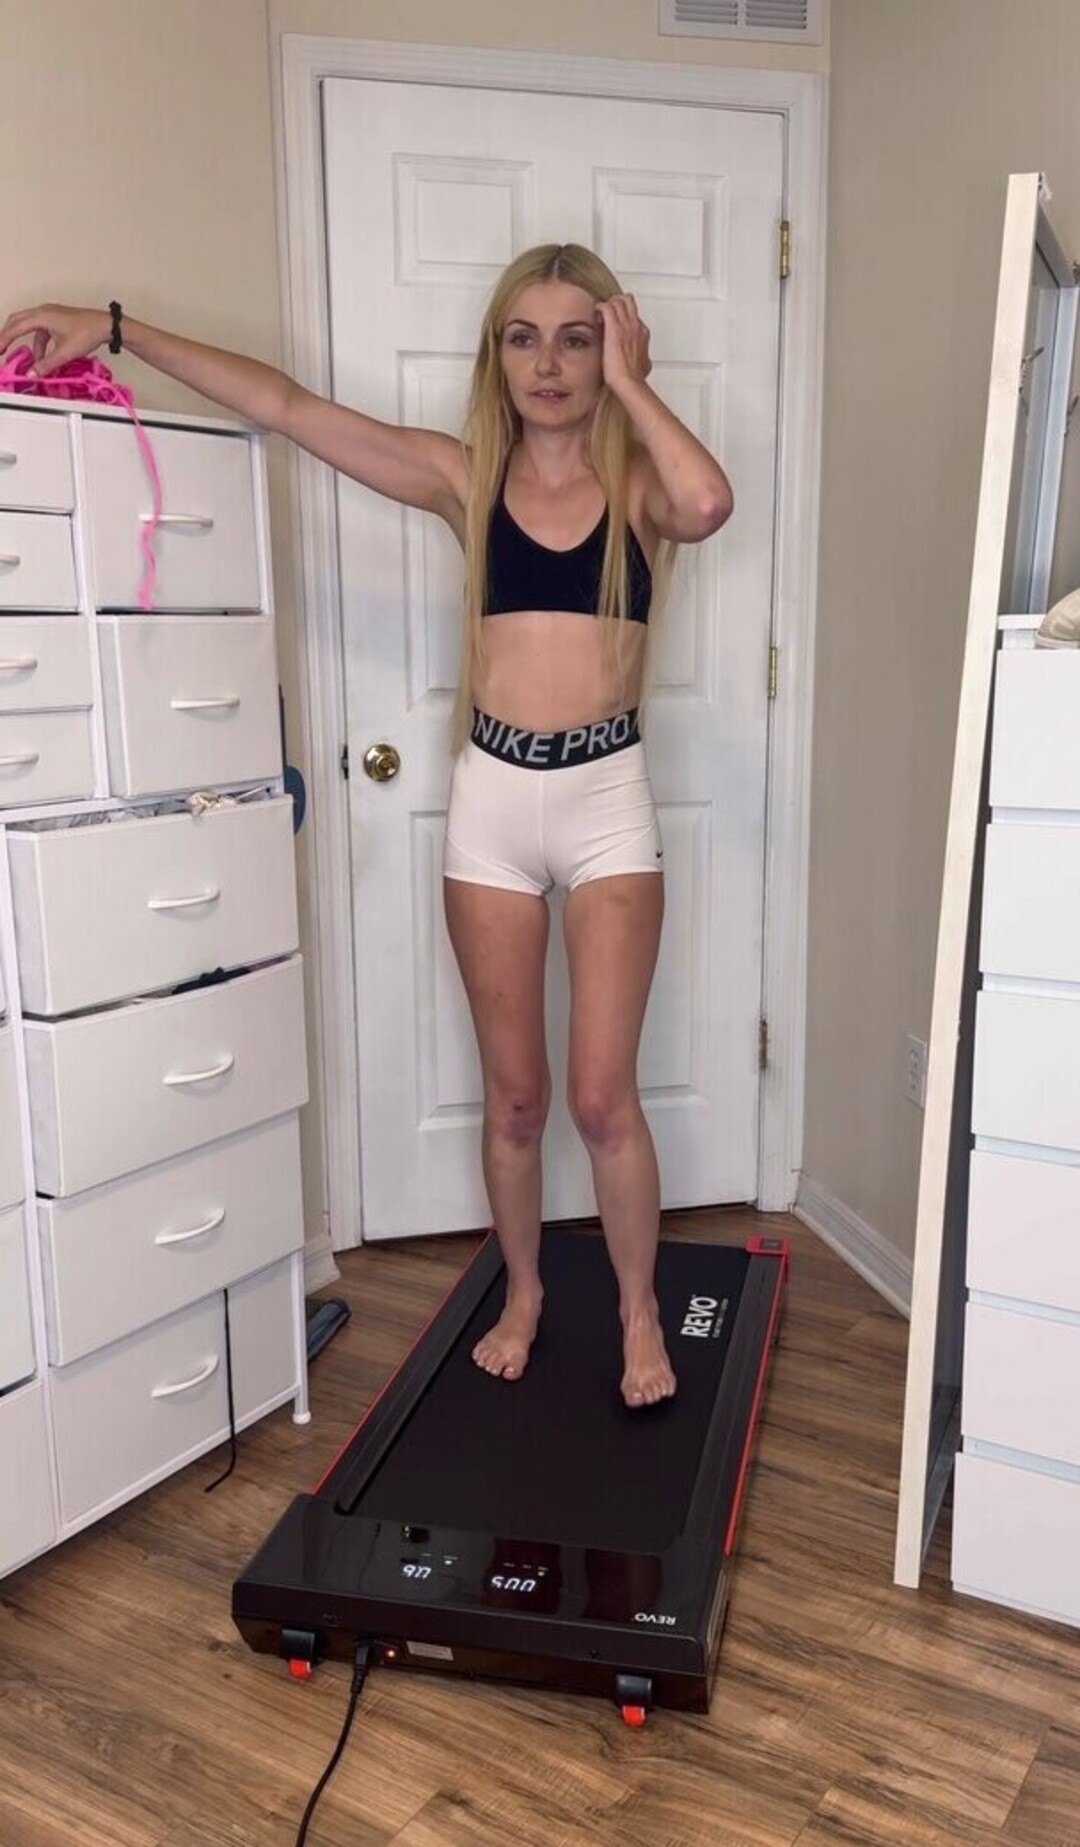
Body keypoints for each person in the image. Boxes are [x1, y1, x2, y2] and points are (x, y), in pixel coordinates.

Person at [0, 243, 733, 1408]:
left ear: (610, 352)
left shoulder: (642, 489)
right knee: (515, 1099)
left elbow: (708, 502)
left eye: (578, 339)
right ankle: (525, 1292)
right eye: (525, 338)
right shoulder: (466, 479)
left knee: (603, 1098)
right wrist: (119, 326)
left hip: (606, 803)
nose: (549, 364)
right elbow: (289, 407)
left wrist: (636, 386)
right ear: (496, 355)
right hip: (493, 806)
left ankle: (639, 1310)